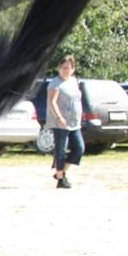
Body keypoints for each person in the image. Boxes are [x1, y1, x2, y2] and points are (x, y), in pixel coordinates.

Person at [45, 55, 84, 188]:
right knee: (61, 150)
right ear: (59, 68)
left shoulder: (74, 81)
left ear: (73, 69)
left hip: (75, 122)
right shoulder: (55, 83)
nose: (65, 70)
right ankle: (61, 180)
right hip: (60, 123)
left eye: (68, 68)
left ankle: (61, 172)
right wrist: (59, 117)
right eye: (63, 68)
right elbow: (52, 102)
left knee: (79, 148)